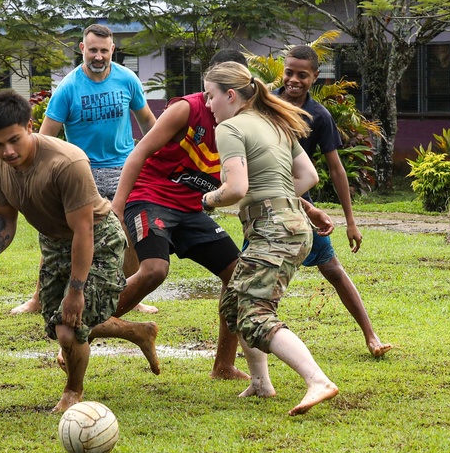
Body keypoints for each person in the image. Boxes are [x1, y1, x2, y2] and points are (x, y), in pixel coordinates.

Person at [111, 50, 334, 381]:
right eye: (207, 93)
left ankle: (224, 365)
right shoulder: (187, 109)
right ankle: (88, 325)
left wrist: (309, 206)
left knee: (236, 274)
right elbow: (139, 152)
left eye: (213, 93)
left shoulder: (244, 123)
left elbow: (267, 181)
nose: (209, 100)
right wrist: (117, 207)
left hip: (193, 207)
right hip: (152, 198)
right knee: (155, 270)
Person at [0, 89, 159, 413]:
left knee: (69, 325)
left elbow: (84, 230)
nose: (6, 151)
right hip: (54, 243)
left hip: (98, 238)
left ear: (30, 126)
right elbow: (4, 216)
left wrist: (76, 289)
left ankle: (73, 392)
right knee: (59, 323)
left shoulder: (66, 162)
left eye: (14, 140)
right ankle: (138, 332)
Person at [201, 61, 339, 415]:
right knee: (234, 305)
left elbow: (235, 188)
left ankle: (317, 380)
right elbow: (308, 175)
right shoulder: (274, 121)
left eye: (211, 95)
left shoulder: (230, 128)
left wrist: (209, 199)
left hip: (274, 231)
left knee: (256, 313)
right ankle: (261, 383)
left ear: (230, 95)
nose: (207, 102)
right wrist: (279, 201)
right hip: (289, 226)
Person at [11, 24, 158, 315]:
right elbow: (46, 138)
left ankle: (131, 296)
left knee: (127, 232)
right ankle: (38, 298)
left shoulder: (128, 80)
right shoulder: (68, 88)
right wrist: (43, 175)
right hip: (81, 171)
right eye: (93, 50)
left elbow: (149, 124)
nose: (99, 56)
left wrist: (158, 159)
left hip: (122, 168)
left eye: (105, 50)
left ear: (113, 50)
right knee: (60, 233)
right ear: (82, 49)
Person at [278, 45, 391, 357]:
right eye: (289, 72)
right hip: (265, 200)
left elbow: (336, 169)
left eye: (302, 75)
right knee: (240, 272)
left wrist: (351, 222)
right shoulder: (266, 103)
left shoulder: (319, 116)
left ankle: (371, 336)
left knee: (332, 268)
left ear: (315, 77)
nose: (294, 80)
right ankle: (226, 358)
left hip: (302, 204)